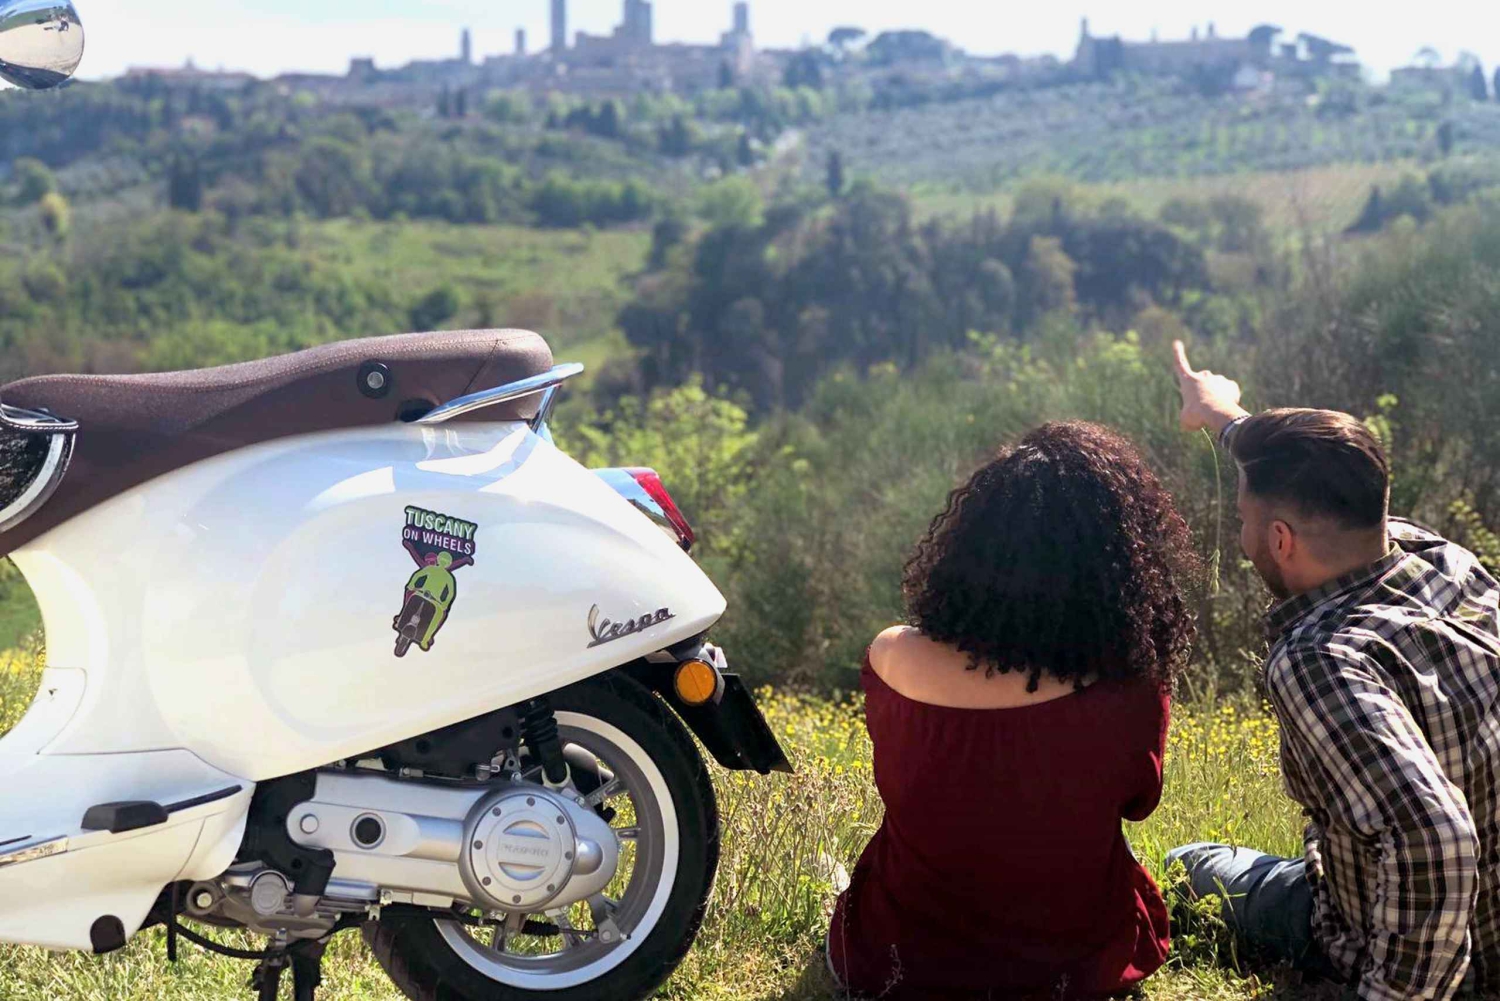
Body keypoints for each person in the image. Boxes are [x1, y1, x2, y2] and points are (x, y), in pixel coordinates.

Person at [1167, 341, 1500, 1001]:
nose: (1242, 538)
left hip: (1421, 950)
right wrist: (1224, 415)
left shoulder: (1322, 657)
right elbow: (1321, 474)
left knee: (1187, 865)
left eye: (1244, 521)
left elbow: (1436, 838)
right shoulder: (1442, 560)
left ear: (1280, 539)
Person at [826, 421, 1199, 1000]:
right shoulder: (1130, 688)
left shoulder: (890, 655)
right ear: (1118, 565)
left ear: (970, 548)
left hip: (897, 957)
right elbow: (1138, 803)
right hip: (1074, 967)